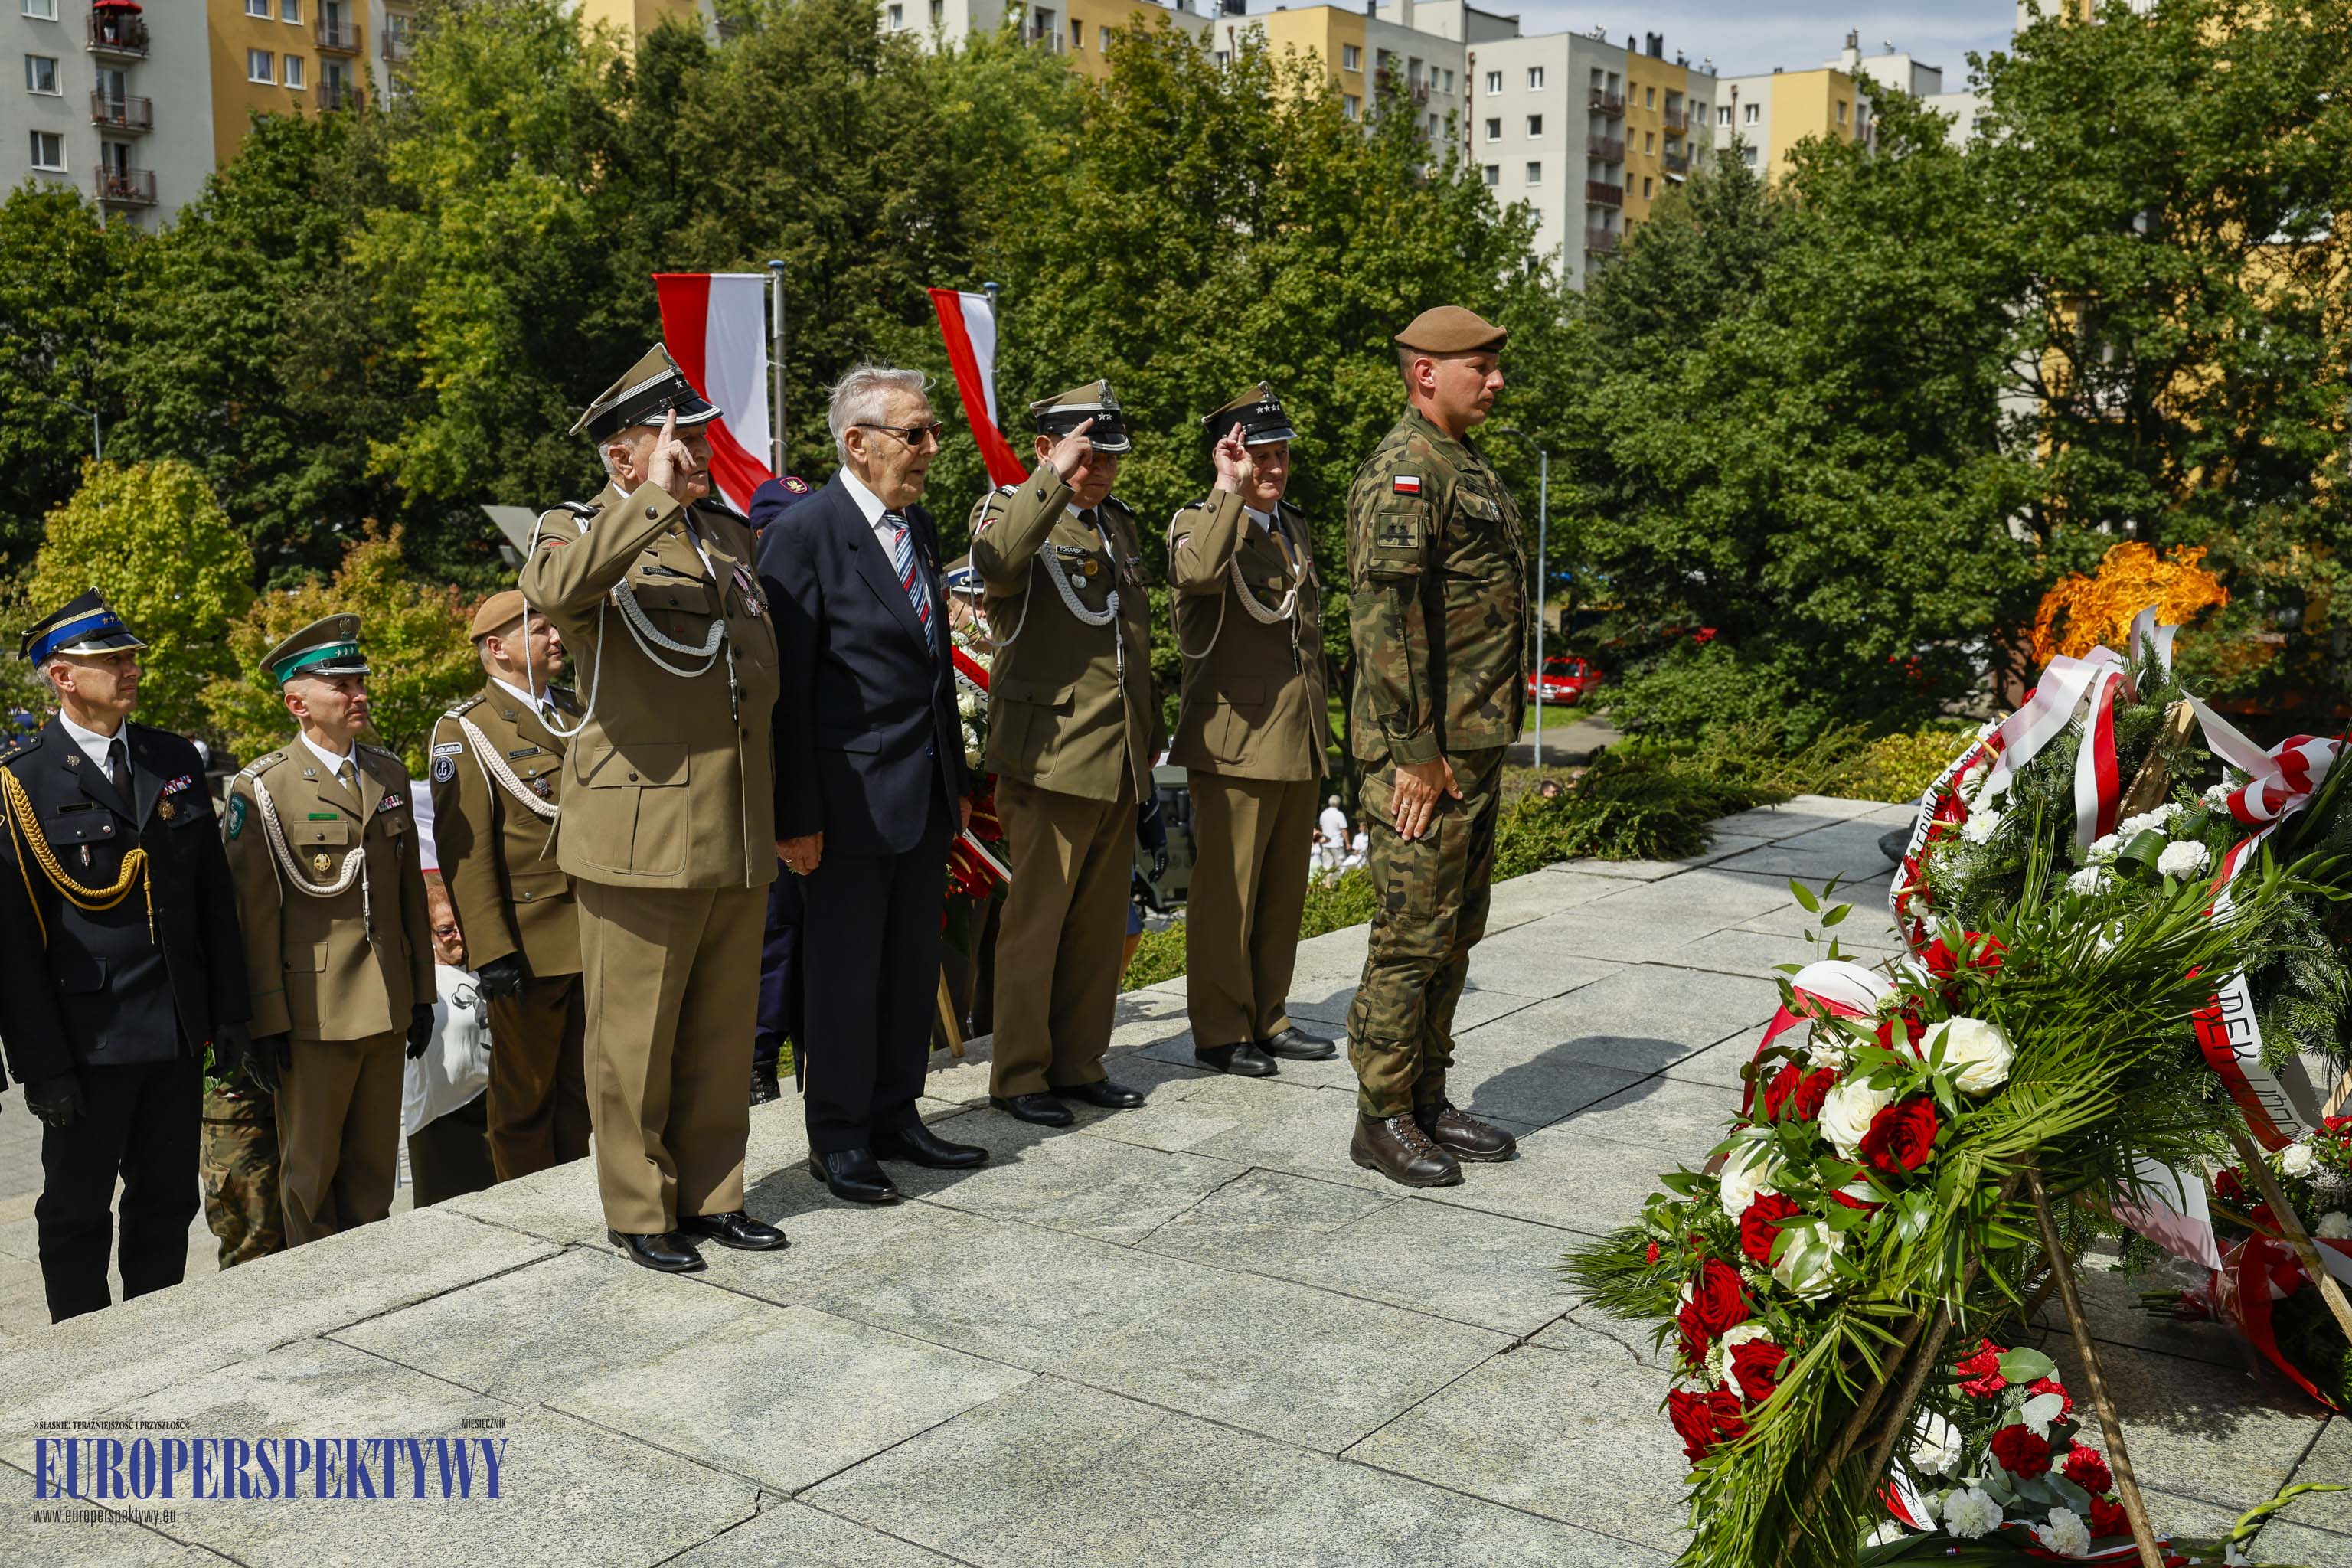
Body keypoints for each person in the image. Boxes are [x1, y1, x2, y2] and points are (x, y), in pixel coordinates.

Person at [519, 344, 787, 1273]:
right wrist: (652, 501)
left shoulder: (726, 533)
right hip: (638, 827)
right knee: (633, 1034)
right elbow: (555, 594)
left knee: (720, 1024)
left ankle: (715, 1193)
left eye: (702, 437)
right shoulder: (577, 527)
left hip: (735, 816)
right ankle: (639, 1206)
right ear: (623, 453)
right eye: (679, 438)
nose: (701, 453)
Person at [760, 364, 985, 1204]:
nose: (932, 448)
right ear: (857, 442)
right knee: (845, 977)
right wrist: (796, 814)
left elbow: (933, 669)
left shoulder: (914, 524)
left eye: (932, 431)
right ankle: (841, 1134)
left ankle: (898, 1112)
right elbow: (790, 689)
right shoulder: (805, 533)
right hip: (844, 806)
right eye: (915, 433)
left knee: (905, 966)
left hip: (921, 796)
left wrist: (953, 782)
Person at [0, 592, 253, 1321]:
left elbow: (211, 900)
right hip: (88, 1041)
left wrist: (228, 1013)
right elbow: (14, 944)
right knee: (77, 1213)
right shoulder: (21, 781)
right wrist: (41, 1064)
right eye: (109, 660)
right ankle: (82, 1352)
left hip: (175, 1030)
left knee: (165, 1201)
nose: (129, 668)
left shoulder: (170, 758)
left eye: (130, 656)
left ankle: (155, 1335)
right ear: (61, 677)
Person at [1343, 305, 1530, 1188]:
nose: (1496, 380)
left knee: (1455, 931)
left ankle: (1425, 1094)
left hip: (1471, 745)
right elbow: (1385, 622)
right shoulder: (1405, 471)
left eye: (1497, 366)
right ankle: (1380, 1115)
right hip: (1423, 754)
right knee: (1412, 933)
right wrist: (1416, 751)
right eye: (1480, 367)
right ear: (1426, 373)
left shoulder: (1463, 463)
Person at [968, 381, 1158, 1127]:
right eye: (1087, 452)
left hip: (1114, 753)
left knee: (1097, 923)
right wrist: (1052, 477)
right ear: (1046, 448)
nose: (1101, 468)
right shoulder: (1014, 512)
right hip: (1049, 755)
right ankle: (1019, 1074)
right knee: (1037, 924)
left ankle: (1079, 1062)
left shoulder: (1117, 527)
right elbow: (996, 559)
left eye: (1109, 454)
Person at [222, 615, 436, 1243]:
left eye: (359, 680)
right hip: (313, 1011)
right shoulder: (262, 788)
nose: (358, 693)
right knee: (310, 1178)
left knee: (375, 1174)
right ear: (298, 702)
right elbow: (253, 918)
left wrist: (421, 993)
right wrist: (266, 1022)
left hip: (388, 1000)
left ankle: (371, 1286)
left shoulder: (388, 774)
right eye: (340, 684)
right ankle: (320, 1301)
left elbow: (407, 899)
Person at [1165, 384, 1336, 1079]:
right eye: (1257, 455)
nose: (1273, 466)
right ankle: (1218, 1028)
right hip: (1234, 742)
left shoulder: (1291, 526)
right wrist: (1226, 488)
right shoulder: (1200, 520)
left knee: (1280, 890)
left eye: (1279, 454)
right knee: (1226, 895)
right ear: (1231, 455)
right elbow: (1198, 572)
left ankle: (1269, 1014)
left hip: (1295, 737)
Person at [426, 589, 592, 1182]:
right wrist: (492, 950)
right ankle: (531, 1212)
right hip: (531, 944)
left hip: (597, 932)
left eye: (557, 628)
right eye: (540, 629)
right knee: (524, 1101)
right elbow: (464, 856)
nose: (556, 639)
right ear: (496, 648)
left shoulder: (578, 710)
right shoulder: (466, 731)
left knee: (585, 1092)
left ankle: (579, 1194)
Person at [746, 472, 817, 1107]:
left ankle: (814, 1057)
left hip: (819, 794)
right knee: (775, 935)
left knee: (817, 936)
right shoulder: (745, 603)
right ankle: (760, 1060)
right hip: (761, 799)